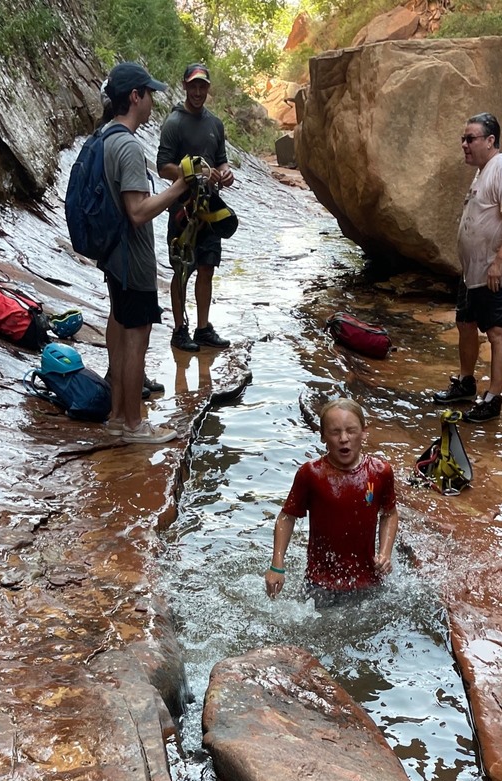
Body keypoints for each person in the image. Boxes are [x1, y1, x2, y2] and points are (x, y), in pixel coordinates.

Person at [100, 62, 191, 445]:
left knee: (120, 328)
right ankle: (136, 424)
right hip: (132, 257)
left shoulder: (104, 136)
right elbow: (137, 212)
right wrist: (179, 187)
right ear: (134, 97)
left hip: (112, 254)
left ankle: (118, 417)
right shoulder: (129, 147)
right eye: (149, 93)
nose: (153, 100)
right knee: (137, 335)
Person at [433, 113, 502, 422]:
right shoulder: (483, 171)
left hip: (495, 272)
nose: (464, 144)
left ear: (490, 141)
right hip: (471, 274)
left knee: (498, 333)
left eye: (470, 138)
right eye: (463, 138)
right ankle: (466, 382)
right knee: (466, 325)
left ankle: (493, 397)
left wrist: (499, 260)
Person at [265, 398, 398, 607]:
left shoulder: (380, 472)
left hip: (368, 580)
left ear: (364, 432)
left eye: (351, 431)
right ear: (323, 436)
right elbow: (287, 516)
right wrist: (277, 565)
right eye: (335, 432)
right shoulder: (311, 474)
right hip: (320, 582)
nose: (343, 438)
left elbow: (389, 514)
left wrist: (385, 553)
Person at [157, 64, 235, 353]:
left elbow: (222, 159)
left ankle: (203, 328)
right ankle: (179, 330)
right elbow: (163, 166)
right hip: (183, 210)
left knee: (207, 268)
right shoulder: (174, 123)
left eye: (203, 86)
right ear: (185, 86)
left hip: (210, 210)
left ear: (208, 87)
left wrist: (225, 173)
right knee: (181, 270)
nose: (199, 92)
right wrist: (193, 173)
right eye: (194, 86)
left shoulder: (215, 124)